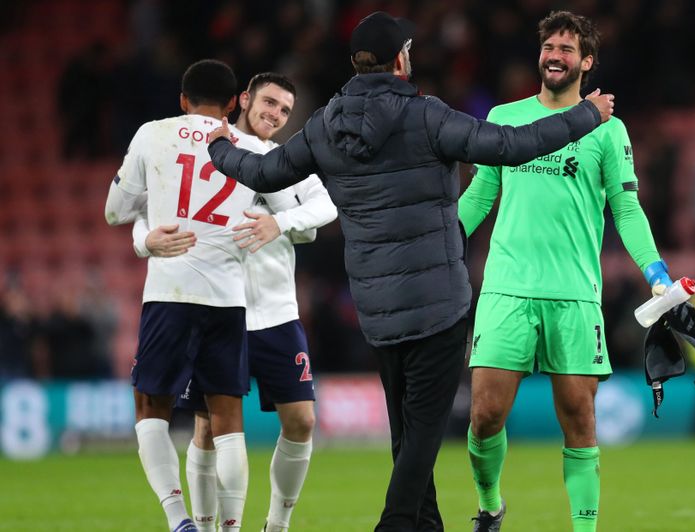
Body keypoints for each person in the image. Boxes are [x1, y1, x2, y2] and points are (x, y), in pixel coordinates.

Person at [206, 11, 615, 532]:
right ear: (400, 58)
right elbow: (512, 147)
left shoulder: (324, 126)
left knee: (405, 431)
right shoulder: (427, 116)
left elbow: (263, 170)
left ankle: (425, 526)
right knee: (421, 438)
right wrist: (586, 116)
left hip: (376, 308)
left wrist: (220, 146)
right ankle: (396, 524)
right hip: (438, 305)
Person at [458, 11, 673, 532]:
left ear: (587, 62)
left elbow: (625, 208)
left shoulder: (607, 129)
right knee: (485, 414)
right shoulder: (507, 118)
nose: (555, 55)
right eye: (549, 46)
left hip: (574, 293)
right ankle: (490, 506)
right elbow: (481, 194)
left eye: (567, 49)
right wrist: (436, 247)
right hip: (507, 287)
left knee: (579, 417)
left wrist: (656, 271)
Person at [132, 73, 337, 532]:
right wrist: (146, 238)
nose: (274, 115)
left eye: (284, 110)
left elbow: (325, 208)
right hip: (220, 309)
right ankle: (207, 529)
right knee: (208, 429)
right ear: (243, 100)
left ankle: (277, 524)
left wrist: (280, 225)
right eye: (268, 102)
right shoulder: (206, 148)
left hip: (277, 312)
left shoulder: (286, 160)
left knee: (302, 419)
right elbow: (147, 208)